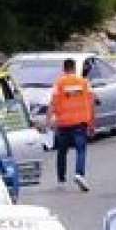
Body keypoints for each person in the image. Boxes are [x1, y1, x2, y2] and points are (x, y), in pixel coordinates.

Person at [46, 58, 95, 192]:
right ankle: (79, 174)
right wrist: (92, 122)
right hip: (80, 122)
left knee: (62, 152)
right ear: (74, 68)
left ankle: (61, 180)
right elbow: (91, 102)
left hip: (63, 123)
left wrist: (48, 120)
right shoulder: (84, 82)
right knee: (81, 150)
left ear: (64, 69)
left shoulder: (59, 83)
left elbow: (53, 102)